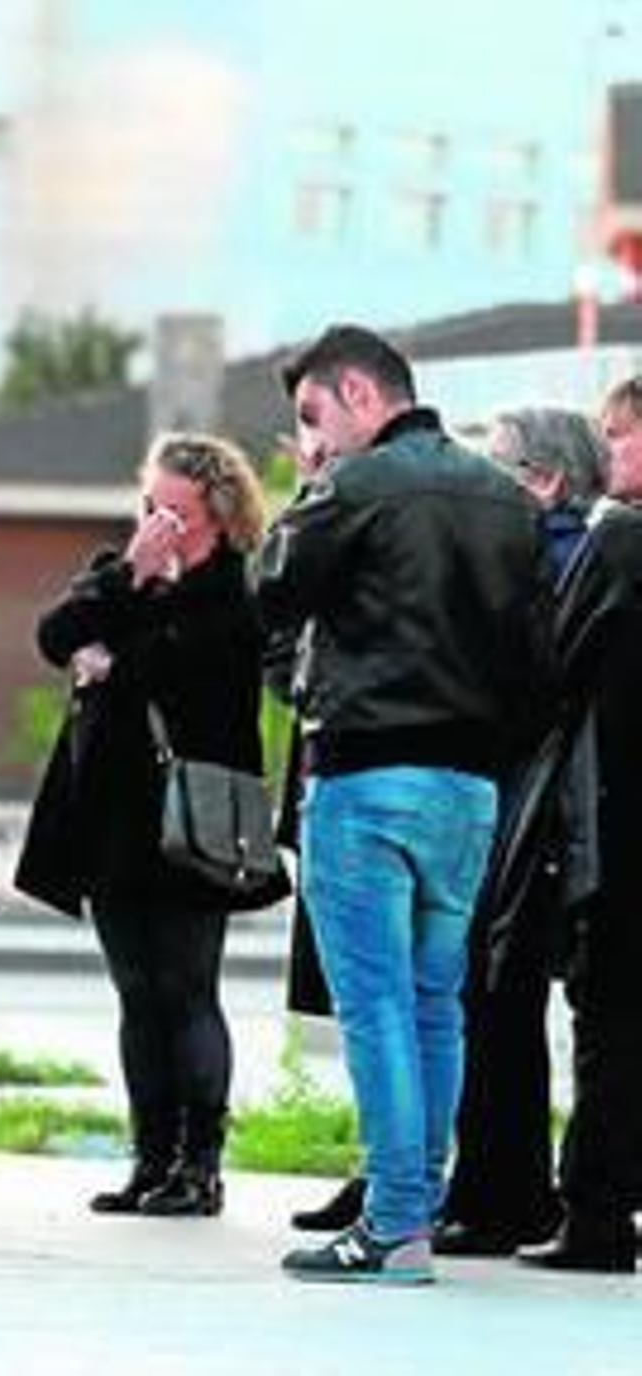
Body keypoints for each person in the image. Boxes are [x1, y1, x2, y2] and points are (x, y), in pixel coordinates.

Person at [260, 324, 548, 1285]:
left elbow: (271, 589)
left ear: (357, 391)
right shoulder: (508, 499)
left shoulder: (355, 486)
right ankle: (411, 1213)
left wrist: (308, 488)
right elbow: (536, 659)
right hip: (469, 787)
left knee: (376, 1005)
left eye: (312, 417)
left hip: (367, 773)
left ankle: (392, 1226)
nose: (311, 439)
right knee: (436, 1007)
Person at [16, 432, 273, 1220]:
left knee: (187, 987)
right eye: (149, 506)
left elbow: (184, 673)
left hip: (192, 814)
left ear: (220, 519)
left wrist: (116, 659)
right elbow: (55, 636)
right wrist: (132, 573)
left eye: (176, 512)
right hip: (112, 817)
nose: (160, 523)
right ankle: (149, 1156)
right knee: (136, 992)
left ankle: (201, 1164)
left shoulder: (235, 591)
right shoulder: (118, 573)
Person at [434, 407, 605, 1258]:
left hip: (532, 810)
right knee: (498, 1007)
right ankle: (506, 1192)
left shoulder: (558, 558)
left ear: (544, 479)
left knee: (498, 1005)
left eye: (496, 466)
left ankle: (504, 1194)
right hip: (539, 808)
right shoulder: (566, 551)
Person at [514, 377, 642, 1272]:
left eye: (619, 436)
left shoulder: (621, 538)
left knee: (609, 1023)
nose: (608, 455)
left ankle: (595, 1214)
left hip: (618, 826)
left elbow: (555, 662)